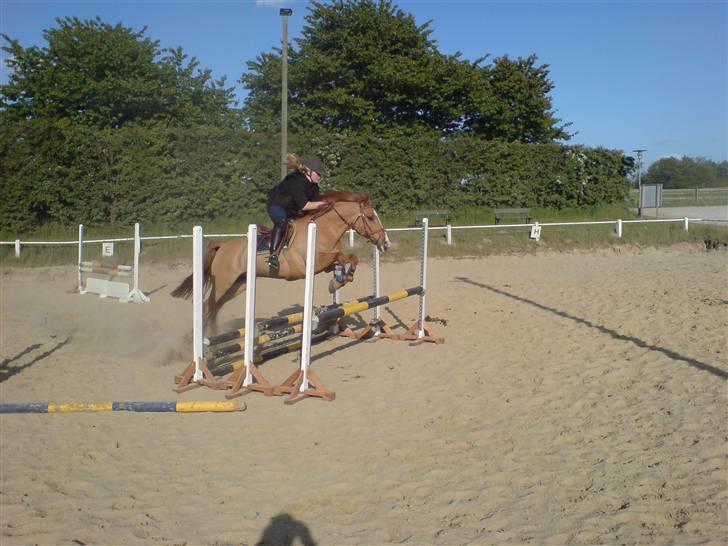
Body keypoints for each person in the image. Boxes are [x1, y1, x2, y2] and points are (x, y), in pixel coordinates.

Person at [266, 155, 328, 269]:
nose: (320, 177)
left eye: (321, 174)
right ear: (309, 171)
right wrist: (324, 204)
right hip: (277, 206)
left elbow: (315, 206)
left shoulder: (314, 187)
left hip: (291, 210)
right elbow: (305, 206)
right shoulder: (296, 181)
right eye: (318, 174)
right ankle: (273, 256)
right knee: (282, 221)